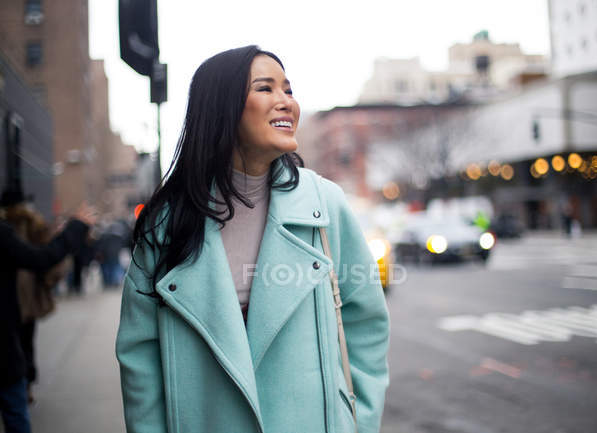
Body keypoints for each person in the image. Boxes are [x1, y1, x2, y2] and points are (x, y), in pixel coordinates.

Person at [116, 46, 390, 433]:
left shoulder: (323, 204)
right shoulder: (168, 225)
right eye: (266, 89)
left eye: (288, 90)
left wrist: (358, 422)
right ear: (222, 107)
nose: (286, 103)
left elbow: (366, 323)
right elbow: (140, 355)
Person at [0, 190, 97, 433]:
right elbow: (43, 256)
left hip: (14, 310)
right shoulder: (12, 229)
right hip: (8, 328)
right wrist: (75, 228)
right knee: (15, 407)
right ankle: (27, 384)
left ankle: (26, 383)